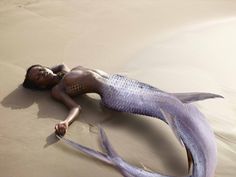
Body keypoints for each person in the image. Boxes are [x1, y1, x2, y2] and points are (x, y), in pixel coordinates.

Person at [23, 64, 222, 136]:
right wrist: (65, 123)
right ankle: (191, 135)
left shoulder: (63, 70)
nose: (42, 72)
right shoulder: (57, 90)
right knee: (163, 108)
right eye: (38, 76)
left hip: (117, 82)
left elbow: (57, 66)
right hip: (113, 94)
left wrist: (45, 73)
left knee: (164, 98)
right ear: (41, 86)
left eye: (40, 68)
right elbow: (76, 107)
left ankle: (194, 125)